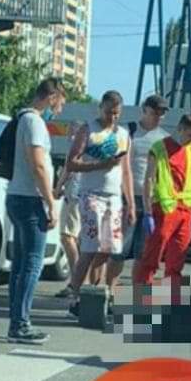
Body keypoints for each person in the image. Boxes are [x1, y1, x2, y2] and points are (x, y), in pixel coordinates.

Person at [6, 77, 68, 345]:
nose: (61, 108)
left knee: (20, 264)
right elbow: (38, 165)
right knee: (32, 263)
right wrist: (50, 202)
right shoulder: (34, 122)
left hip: (18, 196)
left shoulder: (23, 118)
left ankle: (16, 320)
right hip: (31, 200)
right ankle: (21, 324)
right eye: (61, 101)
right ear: (52, 97)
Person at [66, 91, 136, 320]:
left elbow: (125, 171)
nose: (112, 117)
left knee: (110, 248)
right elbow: (72, 163)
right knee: (90, 246)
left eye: (116, 113)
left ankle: (94, 292)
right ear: (100, 108)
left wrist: (131, 203)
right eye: (108, 112)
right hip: (91, 194)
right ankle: (75, 293)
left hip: (114, 197)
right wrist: (100, 164)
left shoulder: (124, 134)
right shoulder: (88, 130)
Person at [105, 94, 171, 301]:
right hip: (127, 199)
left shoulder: (164, 139)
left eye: (162, 113)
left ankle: (134, 297)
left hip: (151, 203)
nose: (158, 117)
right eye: (155, 112)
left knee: (143, 254)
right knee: (119, 251)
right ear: (145, 110)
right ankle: (109, 294)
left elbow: (164, 173)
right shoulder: (128, 132)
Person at [133, 113, 191, 299]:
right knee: (152, 257)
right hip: (164, 210)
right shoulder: (159, 148)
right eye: (190, 135)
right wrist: (148, 212)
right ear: (180, 129)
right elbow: (149, 180)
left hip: (186, 210)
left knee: (177, 259)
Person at [53, 122, 84, 299]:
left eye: (73, 132)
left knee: (67, 237)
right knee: (75, 239)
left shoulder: (77, 147)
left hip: (74, 197)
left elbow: (68, 170)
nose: (70, 136)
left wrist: (57, 188)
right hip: (78, 195)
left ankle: (76, 281)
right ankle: (77, 280)